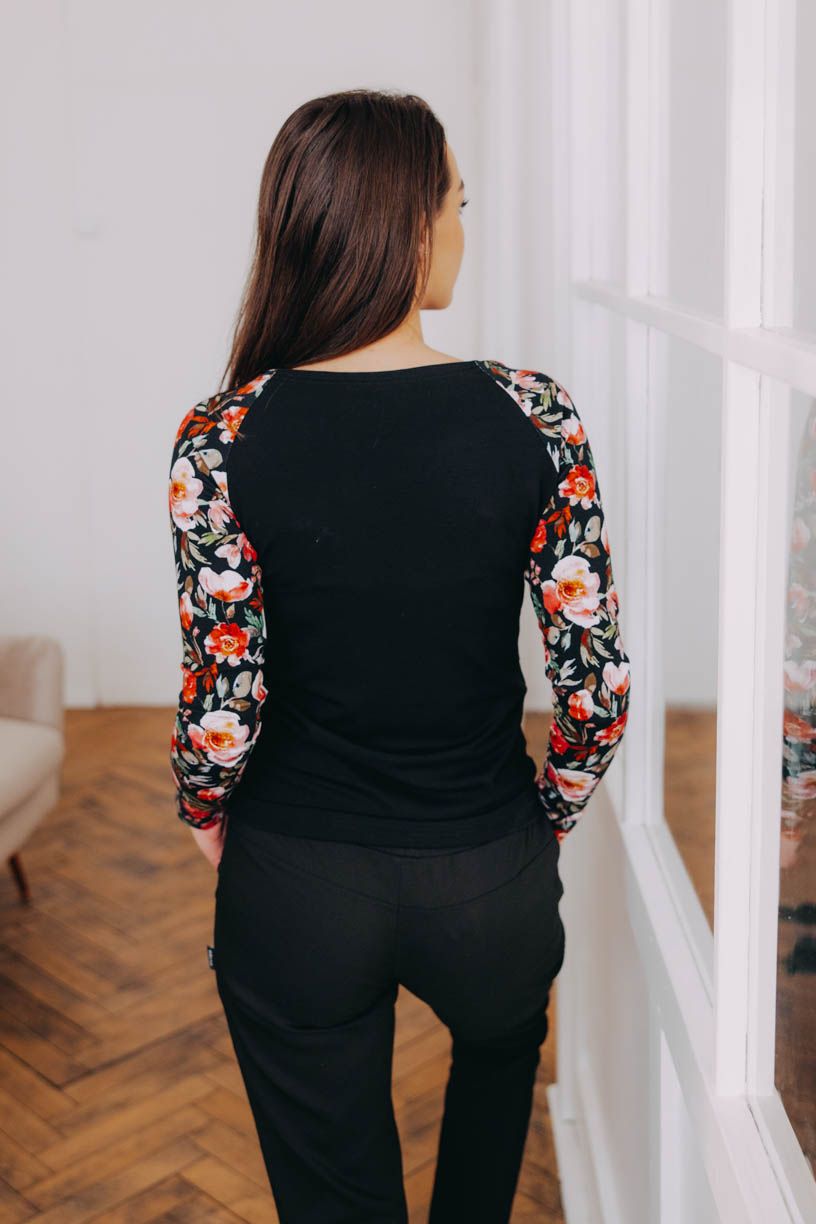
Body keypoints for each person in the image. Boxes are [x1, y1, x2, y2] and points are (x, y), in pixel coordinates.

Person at [167, 88, 631, 1224]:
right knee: (498, 1072)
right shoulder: (537, 415)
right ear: (410, 226)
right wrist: (543, 823)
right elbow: (596, 689)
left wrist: (205, 810)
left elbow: (222, 704)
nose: (465, 229)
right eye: (459, 205)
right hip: (488, 877)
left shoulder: (219, 434)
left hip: (297, 883)